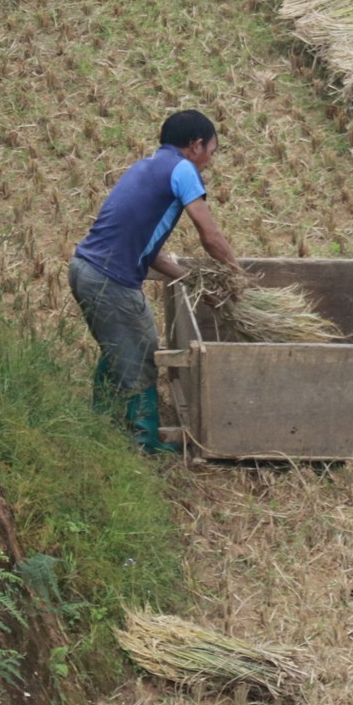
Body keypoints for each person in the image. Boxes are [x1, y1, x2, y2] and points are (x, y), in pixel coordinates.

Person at [70, 109, 241, 452]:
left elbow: (148, 252)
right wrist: (238, 276)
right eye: (211, 150)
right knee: (143, 352)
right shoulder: (184, 170)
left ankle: (101, 421)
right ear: (195, 146)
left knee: (118, 347)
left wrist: (195, 281)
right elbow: (209, 235)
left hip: (84, 269)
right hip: (110, 280)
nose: (209, 160)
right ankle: (143, 442)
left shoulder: (145, 166)